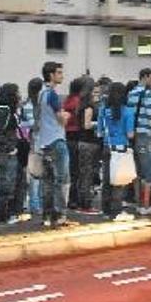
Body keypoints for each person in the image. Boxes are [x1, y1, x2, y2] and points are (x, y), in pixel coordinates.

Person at [34, 62, 75, 228]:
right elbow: (61, 119)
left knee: (48, 180)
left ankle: (47, 215)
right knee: (63, 179)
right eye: (58, 73)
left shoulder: (41, 94)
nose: (61, 75)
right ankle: (60, 215)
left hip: (45, 141)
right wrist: (67, 115)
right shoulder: (52, 95)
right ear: (51, 75)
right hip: (57, 139)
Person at [96, 82, 135, 222]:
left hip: (107, 146)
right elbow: (130, 134)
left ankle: (105, 210)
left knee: (107, 179)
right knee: (119, 180)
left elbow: (99, 132)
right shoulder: (128, 111)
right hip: (121, 148)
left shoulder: (103, 110)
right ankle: (116, 211)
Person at [127, 68, 151, 216]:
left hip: (135, 136)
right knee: (150, 172)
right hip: (147, 136)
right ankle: (146, 206)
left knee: (139, 172)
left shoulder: (131, 93)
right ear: (145, 77)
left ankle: (138, 203)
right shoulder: (148, 94)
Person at [0, 83, 24, 224]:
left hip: (10, 150)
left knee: (14, 183)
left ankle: (10, 213)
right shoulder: (4, 110)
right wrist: (9, 147)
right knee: (7, 184)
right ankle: (4, 215)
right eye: (17, 92)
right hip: (7, 152)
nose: (19, 95)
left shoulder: (9, 110)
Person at [75, 78, 101, 214]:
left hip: (83, 142)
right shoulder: (89, 107)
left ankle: (82, 202)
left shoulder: (82, 105)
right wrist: (99, 124)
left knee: (84, 173)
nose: (98, 94)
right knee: (87, 174)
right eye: (95, 92)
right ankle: (85, 204)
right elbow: (87, 124)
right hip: (89, 142)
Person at [20, 77, 44, 219]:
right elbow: (33, 124)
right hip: (35, 142)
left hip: (39, 142)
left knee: (40, 174)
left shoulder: (32, 105)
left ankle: (38, 203)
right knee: (35, 174)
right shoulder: (30, 106)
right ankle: (35, 204)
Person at [63, 77, 84, 209]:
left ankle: (69, 198)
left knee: (70, 170)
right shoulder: (79, 102)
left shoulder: (67, 101)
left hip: (67, 135)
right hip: (77, 135)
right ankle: (75, 198)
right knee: (77, 170)